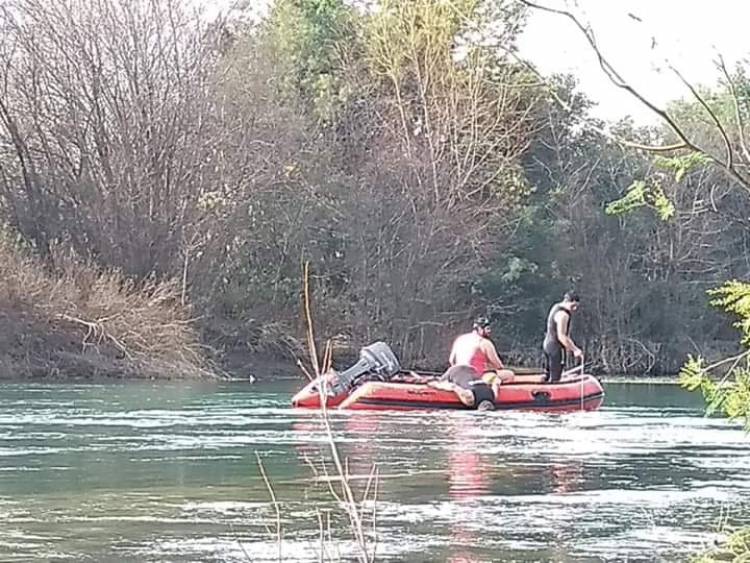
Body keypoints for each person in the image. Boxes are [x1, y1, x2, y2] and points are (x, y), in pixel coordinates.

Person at [430, 317, 512, 410]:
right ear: (480, 329)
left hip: (458, 373)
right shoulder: (484, 343)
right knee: (509, 374)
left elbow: (451, 360)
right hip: (477, 375)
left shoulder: (460, 339)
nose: (489, 331)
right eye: (487, 328)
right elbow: (499, 365)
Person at [543, 292, 583, 383]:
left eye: (577, 306)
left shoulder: (555, 307)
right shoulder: (563, 315)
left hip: (548, 344)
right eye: (573, 306)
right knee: (555, 377)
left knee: (548, 373)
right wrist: (575, 350)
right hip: (554, 347)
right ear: (567, 302)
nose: (575, 309)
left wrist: (569, 346)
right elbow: (562, 336)